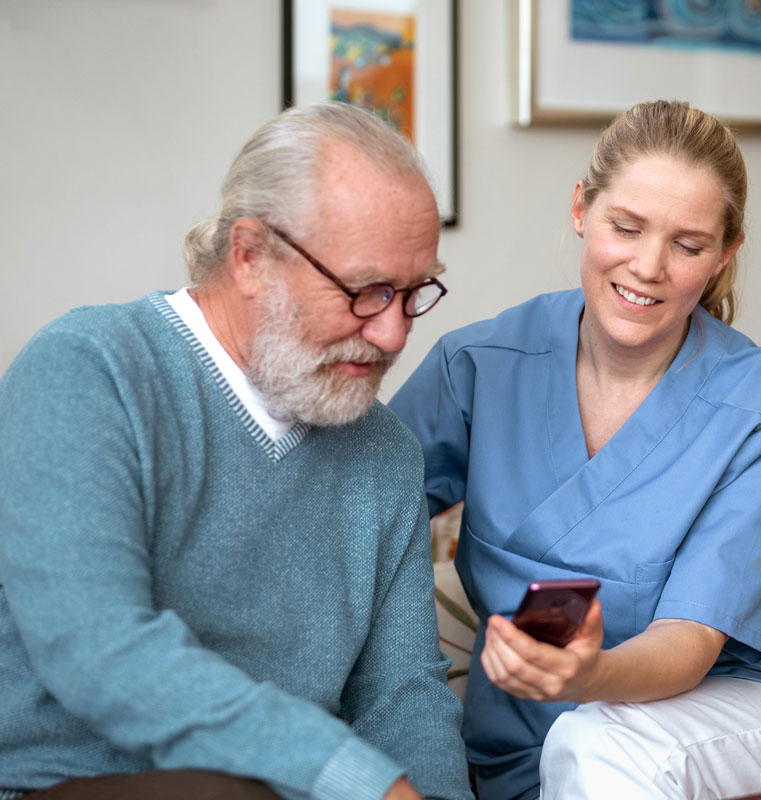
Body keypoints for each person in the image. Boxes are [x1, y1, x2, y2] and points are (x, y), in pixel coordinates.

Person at [388, 100, 761, 800]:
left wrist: (589, 678)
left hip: (753, 709)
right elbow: (352, 511)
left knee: (597, 744)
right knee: (582, 745)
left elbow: (690, 643)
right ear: (582, 209)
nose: (648, 267)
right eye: (627, 227)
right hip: (531, 738)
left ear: (724, 254)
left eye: (688, 245)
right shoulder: (480, 366)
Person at [0, 102, 471, 800]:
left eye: (412, 292)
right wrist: (353, 779)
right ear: (250, 256)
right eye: (367, 291)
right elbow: (101, 652)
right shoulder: (86, 371)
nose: (395, 335)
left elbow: (403, 694)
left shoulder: (385, 452)